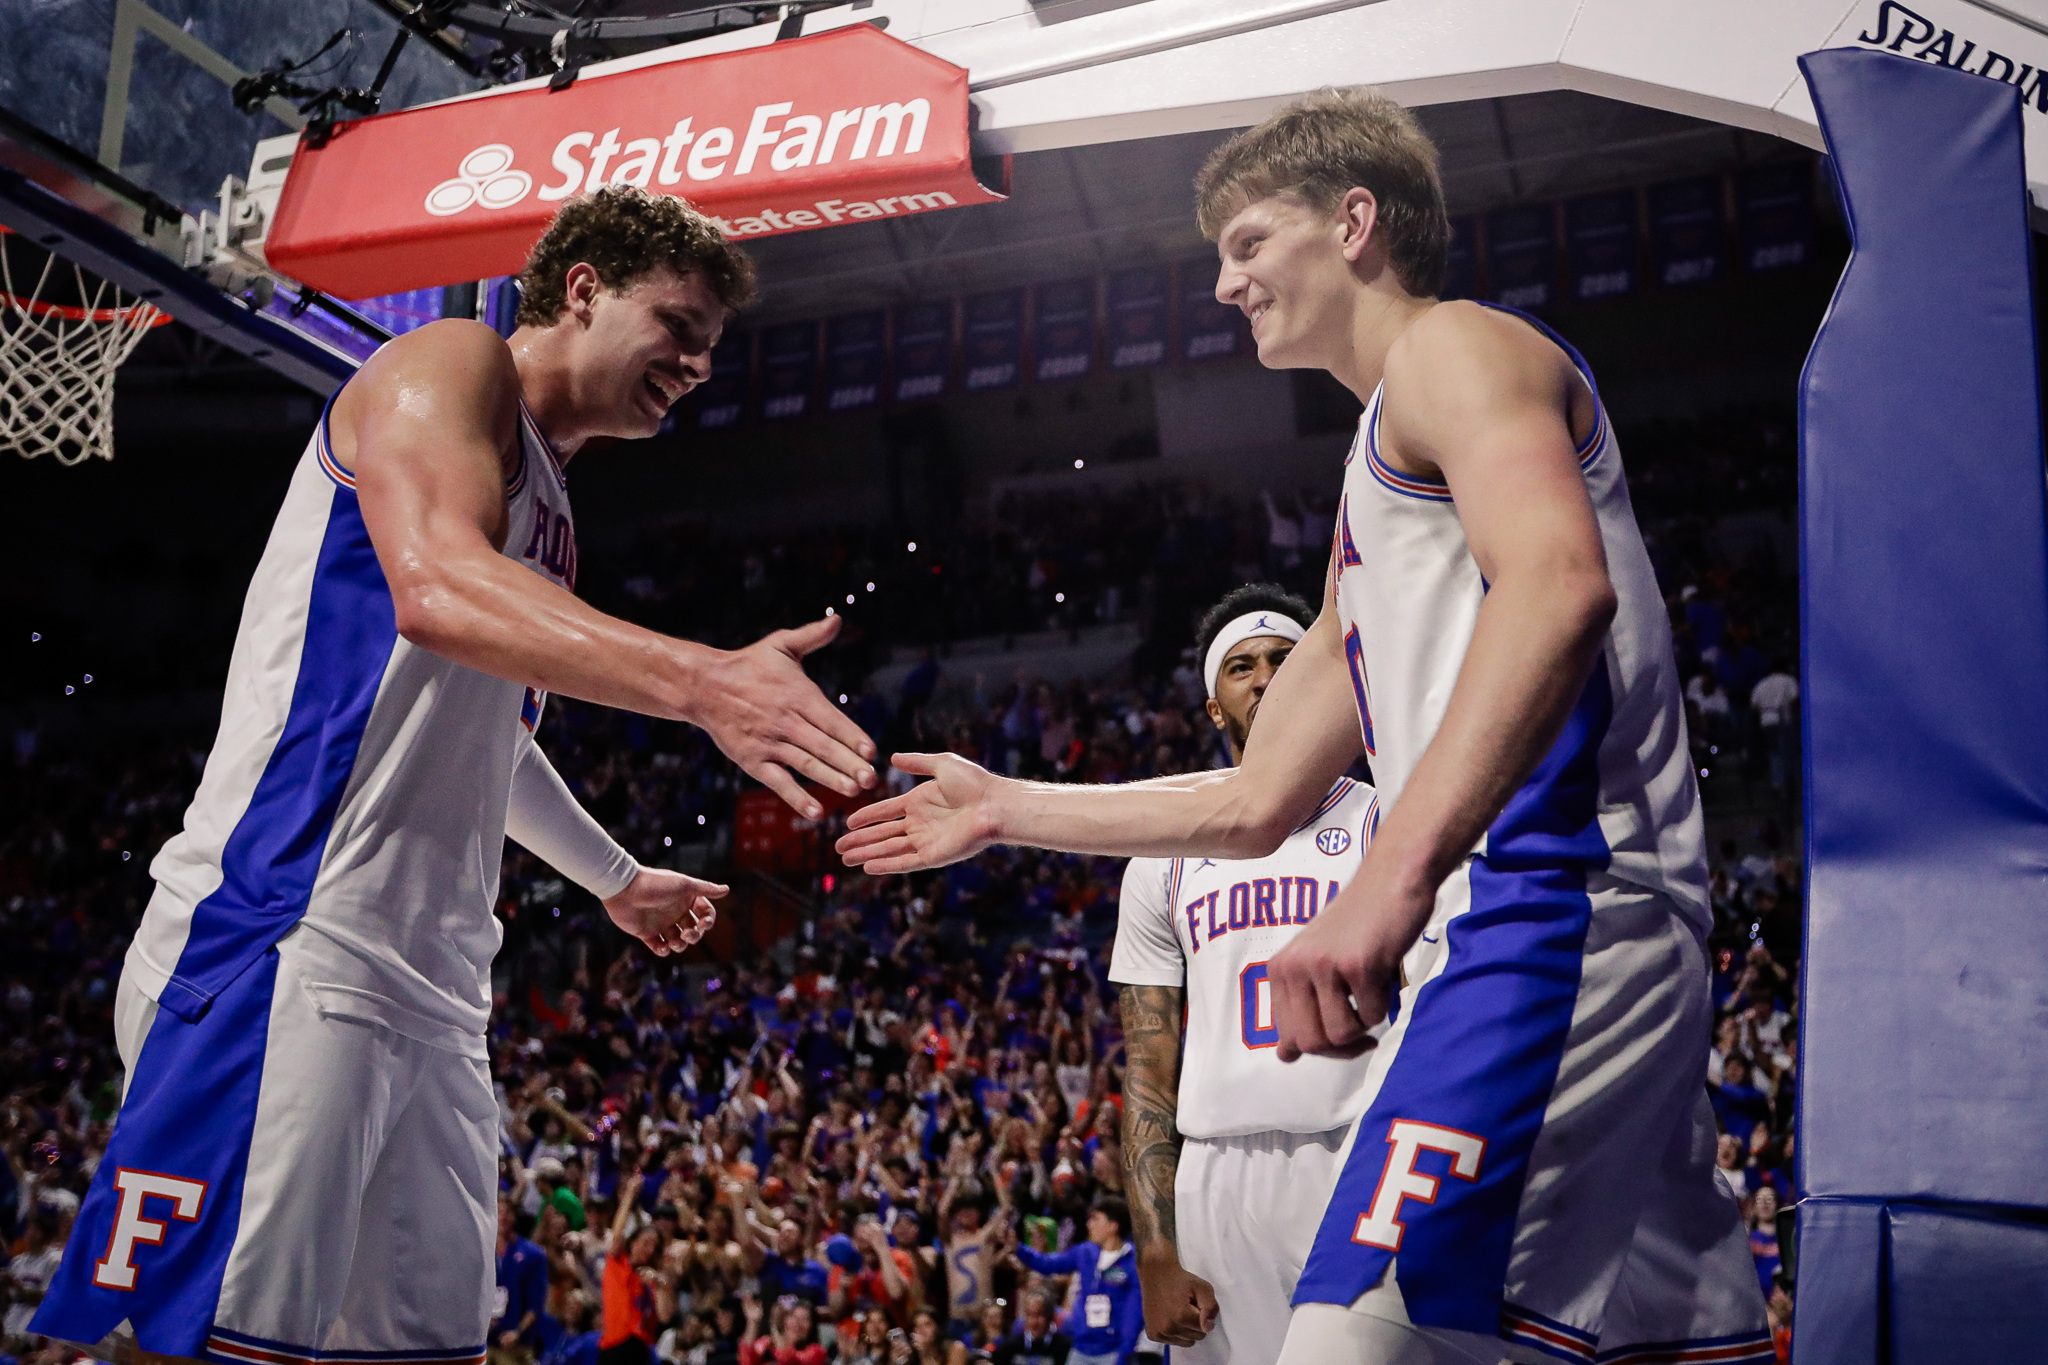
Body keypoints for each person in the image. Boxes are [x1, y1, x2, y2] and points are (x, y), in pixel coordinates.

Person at [838, 89, 1767, 1363]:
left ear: (1352, 221)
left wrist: (1386, 885)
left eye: (1246, 243)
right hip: (1580, 922)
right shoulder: (1367, 483)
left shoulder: (1456, 349)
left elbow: (1558, 585)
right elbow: (1258, 797)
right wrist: (1007, 806)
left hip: (1547, 909)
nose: (1224, 285)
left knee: (1347, 1345)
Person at [33, 185, 878, 1365]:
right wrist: (700, 682)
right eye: (677, 324)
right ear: (581, 291)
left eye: (709, 346)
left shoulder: (548, 507)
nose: (695, 361)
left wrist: (614, 876)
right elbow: (430, 591)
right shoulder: (446, 360)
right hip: (286, 935)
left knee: (421, 1353)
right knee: (206, 1342)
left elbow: (492, 739)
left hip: (431, 989)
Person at [1109, 584, 1382, 1364]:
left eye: (1285, 659)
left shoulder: (1384, 814)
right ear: (1215, 709)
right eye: (1241, 667)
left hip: (1357, 1151)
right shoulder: (1164, 849)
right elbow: (1149, 1069)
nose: (1265, 676)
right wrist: (1156, 1250)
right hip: (1217, 1178)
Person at [999, 1198, 1141, 1365]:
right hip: (1080, 1348)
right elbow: (1048, 1264)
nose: (1089, 1224)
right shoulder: (1085, 1252)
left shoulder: (1132, 1263)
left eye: (1095, 1219)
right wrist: (1018, 1248)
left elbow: (1134, 1312)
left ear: (1113, 1226)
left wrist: (1125, 1353)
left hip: (1112, 1351)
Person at [496, 1198, 554, 1365]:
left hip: (516, 1347)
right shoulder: (482, 1253)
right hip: (482, 1345)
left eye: (506, 1213)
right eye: (498, 1212)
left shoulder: (532, 1254)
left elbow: (536, 1303)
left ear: (514, 1217)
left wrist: (518, 1332)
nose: (502, 1218)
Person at [990, 1290, 1071, 1365]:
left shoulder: (1065, 1347)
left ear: (1050, 1316)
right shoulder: (1009, 1346)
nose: (1033, 1322)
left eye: (1039, 1315)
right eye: (1029, 1315)